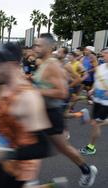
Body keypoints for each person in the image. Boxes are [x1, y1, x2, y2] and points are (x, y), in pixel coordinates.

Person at [0, 43, 55, 188]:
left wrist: (5, 153)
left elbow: (44, 147)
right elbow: (7, 120)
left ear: (12, 64)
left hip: (21, 168)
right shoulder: (4, 87)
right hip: (5, 159)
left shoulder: (28, 98)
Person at [33, 33, 97, 187]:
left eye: (39, 45)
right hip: (42, 113)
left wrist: (37, 92)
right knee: (33, 146)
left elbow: (62, 92)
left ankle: (86, 171)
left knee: (61, 147)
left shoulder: (52, 65)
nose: (35, 48)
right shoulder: (44, 63)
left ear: (49, 47)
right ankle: (30, 180)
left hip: (51, 114)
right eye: (35, 45)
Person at [80, 47, 108, 155]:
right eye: (102, 54)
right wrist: (92, 90)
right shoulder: (101, 68)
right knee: (95, 122)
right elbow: (98, 81)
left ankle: (91, 147)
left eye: (105, 54)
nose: (102, 56)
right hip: (97, 99)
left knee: (96, 123)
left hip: (106, 102)